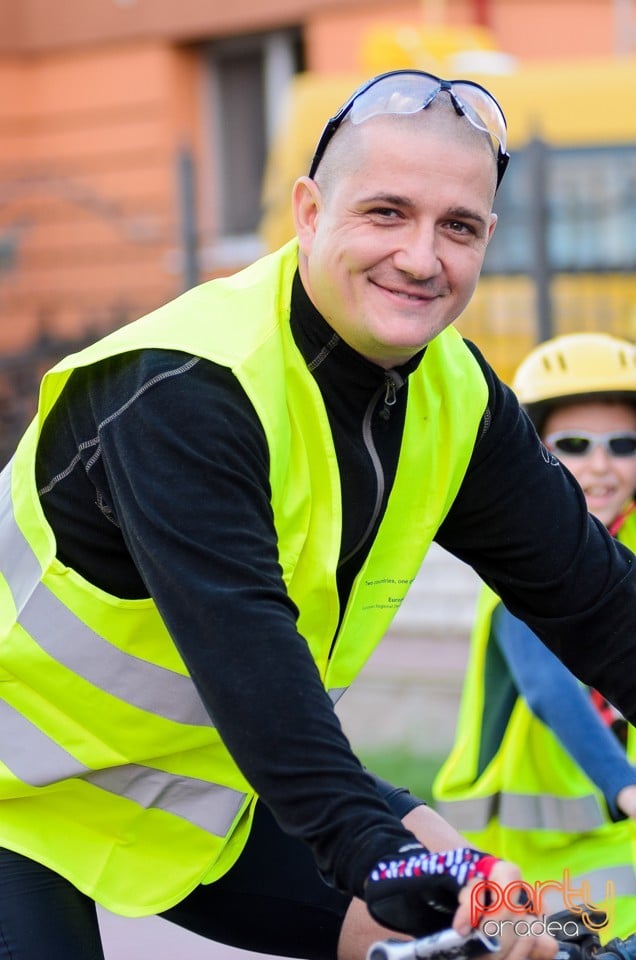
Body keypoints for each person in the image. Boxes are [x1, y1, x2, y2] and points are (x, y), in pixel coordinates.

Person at [0, 68, 635, 960]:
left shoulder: (455, 397)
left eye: (457, 226)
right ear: (307, 211)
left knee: (541, 934)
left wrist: (412, 846)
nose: (421, 257)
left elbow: (601, 605)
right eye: (386, 212)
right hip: (13, 790)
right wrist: (379, 846)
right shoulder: (186, 384)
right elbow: (248, 648)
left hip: (199, 781)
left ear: (488, 238)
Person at [434, 331, 636, 939]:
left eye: (622, 445)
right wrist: (626, 788)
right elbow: (551, 688)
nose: (599, 466)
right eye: (573, 445)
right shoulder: (525, 560)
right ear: (536, 452)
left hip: (615, 844)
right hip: (525, 858)